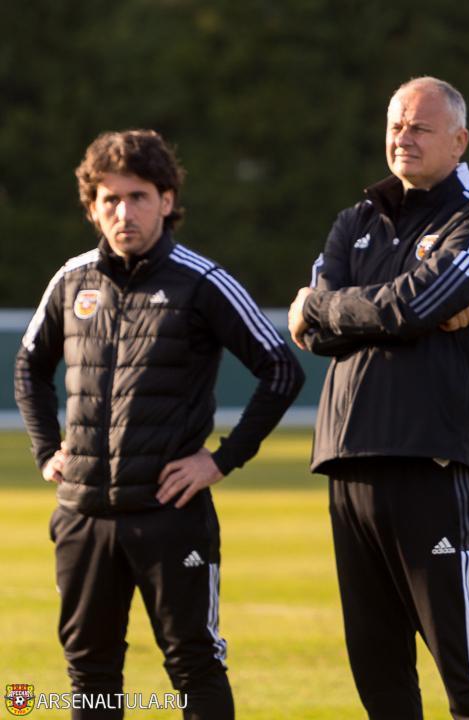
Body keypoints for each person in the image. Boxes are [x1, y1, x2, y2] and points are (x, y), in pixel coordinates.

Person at [13, 129, 303, 719]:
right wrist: (47, 450)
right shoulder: (71, 280)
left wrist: (220, 460)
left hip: (170, 515)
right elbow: (28, 366)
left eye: (139, 196)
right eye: (110, 199)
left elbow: (281, 369)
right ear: (92, 208)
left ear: (166, 201)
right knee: (89, 671)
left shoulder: (202, 281)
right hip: (83, 516)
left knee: (194, 664)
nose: (124, 212)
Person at [286, 76, 469, 720]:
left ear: (459, 140)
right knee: (377, 668)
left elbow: (412, 303)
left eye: (420, 127)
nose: (403, 137)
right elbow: (312, 333)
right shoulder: (355, 220)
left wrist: (332, 307)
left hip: (430, 459)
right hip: (346, 459)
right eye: (396, 125)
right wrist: (392, 310)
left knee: (463, 669)